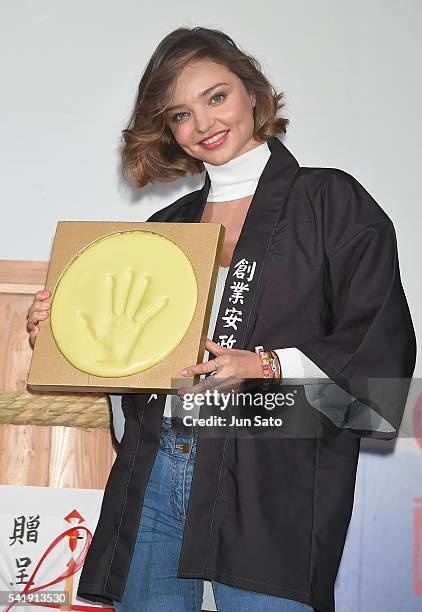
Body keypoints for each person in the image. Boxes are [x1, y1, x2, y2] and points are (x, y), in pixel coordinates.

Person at [26, 26, 416, 612]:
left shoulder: (331, 202)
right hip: (157, 469)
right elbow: (138, 380)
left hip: (271, 475)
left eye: (216, 96)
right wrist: (66, 335)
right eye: (180, 114)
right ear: (170, 132)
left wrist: (266, 366)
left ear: (253, 92)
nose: (204, 123)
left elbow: (379, 376)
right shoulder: (163, 229)